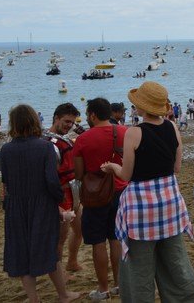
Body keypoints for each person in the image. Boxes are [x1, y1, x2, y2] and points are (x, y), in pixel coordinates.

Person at [101, 81, 194, 302]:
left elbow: (126, 175)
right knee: (176, 264)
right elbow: (176, 168)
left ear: (142, 107)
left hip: (141, 209)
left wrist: (113, 167)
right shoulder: (173, 127)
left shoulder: (134, 132)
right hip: (170, 203)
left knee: (138, 269)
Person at [1, 105, 79, 303]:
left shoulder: (6, 149)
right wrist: (59, 201)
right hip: (41, 204)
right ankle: (63, 295)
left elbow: (6, 182)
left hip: (16, 206)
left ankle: (33, 298)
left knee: (22, 253)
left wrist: (8, 204)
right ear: (34, 121)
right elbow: (51, 181)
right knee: (49, 250)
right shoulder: (44, 147)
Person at [73, 98, 127, 300]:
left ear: (93, 115)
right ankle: (119, 284)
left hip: (96, 194)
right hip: (121, 190)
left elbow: (79, 173)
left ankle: (103, 288)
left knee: (98, 241)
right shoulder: (124, 132)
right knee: (116, 238)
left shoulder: (83, 139)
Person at [46, 103, 83, 273]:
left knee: (80, 229)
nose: (69, 125)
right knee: (60, 239)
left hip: (74, 192)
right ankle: (59, 274)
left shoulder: (64, 139)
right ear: (56, 118)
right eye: (67, 121)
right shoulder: (48, 142)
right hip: (62, 194)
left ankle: (72, 262)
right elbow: (50, 175)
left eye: (72, 122)